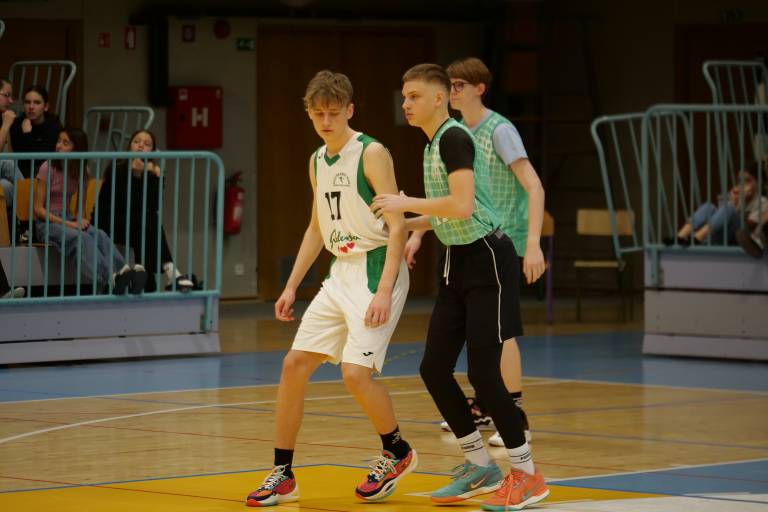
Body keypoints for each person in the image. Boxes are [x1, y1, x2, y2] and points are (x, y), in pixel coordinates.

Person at [371, 63, 548, 511]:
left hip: (487, 258)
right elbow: (448, 212)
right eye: (404, 96)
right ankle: (480, 465)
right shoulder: (432, 143)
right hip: (456, 260)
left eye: (414, 96)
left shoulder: (454, 138)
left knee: (484, 375)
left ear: (438, 98)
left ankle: (528, 475)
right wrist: (402, 224)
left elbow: (463, 205)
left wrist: (405, 203)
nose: (406, 103)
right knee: (433, 368)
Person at [245, 70, 416, 507]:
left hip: (376, 266)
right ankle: (283, 474)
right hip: (341, 271)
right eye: (318, 113)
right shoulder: (317, 160)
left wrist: (384, 290)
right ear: (308, 113)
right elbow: (316, 228)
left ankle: (397, 451)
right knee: (293, 365)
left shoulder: (371, 153)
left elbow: (397, 226)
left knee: (355, 374)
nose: (325, 121)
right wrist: (290, 286)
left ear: (350, 111)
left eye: (333, 113)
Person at [406, 57, 546, 447]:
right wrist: (414, 233)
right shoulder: (447, 135)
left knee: (501, 336)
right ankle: (485, 407)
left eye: (459, 85)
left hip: (501, 237)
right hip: (461, 239)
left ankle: (514, 411)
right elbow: (447, 200)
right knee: (468, 347)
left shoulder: (498, 130)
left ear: (479, 89)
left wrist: (533, 243)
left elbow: (533, 186)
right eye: (449, 84)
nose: (452, 91)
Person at [33, 128, 143, 294]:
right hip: (47, 223)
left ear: (76, 148)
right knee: (80, 237)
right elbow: (38, 209)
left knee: (100, 234)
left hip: (68, 218)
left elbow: (80, 210)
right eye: (59, 141)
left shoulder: (81, 170)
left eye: (65, 143)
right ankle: (110, 279)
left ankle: (124, 272)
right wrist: (69, 223)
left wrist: (79, 220)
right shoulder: (47, 167)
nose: (58, 146)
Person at [93, 129, 193, 293]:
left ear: (152, 151)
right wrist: (135, 175)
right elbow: (124, 203)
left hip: (136, 223)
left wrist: (156, 177)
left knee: (148, 220)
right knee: (146, 220)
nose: (140, 146)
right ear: (129, 146)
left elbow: (153, 206)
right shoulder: (117, 167)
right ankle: (168, 271)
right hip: (108, 221)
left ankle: (146, 275)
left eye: (147, 144)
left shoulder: (153, 173)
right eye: (136, 141)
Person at [666, 165, 766, 247]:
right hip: (721, 237)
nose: (742, 184)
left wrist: (738, 204)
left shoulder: (762, 202)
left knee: (730, 209)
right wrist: (732, 201)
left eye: (747, 180)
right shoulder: (736, 195)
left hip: (741, 241)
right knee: (709, 207)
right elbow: (720, 218)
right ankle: (680, 237)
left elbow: (751, 227)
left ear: (758, 182)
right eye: (740, 180)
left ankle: (697, 239)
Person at [9, 85, 63, 178]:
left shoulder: (54, 126)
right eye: (27, 102)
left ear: (46, 107)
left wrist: (27, 134)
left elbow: (40, 159)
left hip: (45, 174)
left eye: (37, 102)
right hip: (20, 174)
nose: (31, 107)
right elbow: (22, 159)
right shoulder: (16, 124)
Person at [0, 78, 24, 237]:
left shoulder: (3, 117)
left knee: (6, 186)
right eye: (6, 95)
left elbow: (9, 151)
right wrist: (6, 125)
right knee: (7, 162)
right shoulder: (6, 121)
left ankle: (26, 223)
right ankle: (35, 208)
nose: (11, 101)